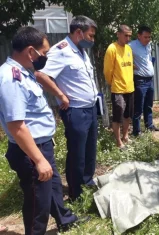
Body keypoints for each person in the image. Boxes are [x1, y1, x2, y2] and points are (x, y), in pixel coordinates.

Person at [0, 26, 85, 234]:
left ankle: (65, 219)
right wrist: (38, 160)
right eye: (44, 53)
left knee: (53, 187)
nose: (44, 57)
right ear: (31, 51)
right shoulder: (12, 78)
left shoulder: (24, 73)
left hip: (41, 146)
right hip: (30, 151)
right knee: (38, 202)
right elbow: (16, 126)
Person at [35, 15, 99, 201]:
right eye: (90, 35)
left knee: (89, 150)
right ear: (78, 32)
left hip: (90, 108)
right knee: (77, 153)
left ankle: (87, 181)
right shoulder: (61, 50)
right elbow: (41, 75)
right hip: (76, 111)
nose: (92, 39)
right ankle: (75, 193)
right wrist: (61, 95)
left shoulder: (80, 51)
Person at [103, 25, 134, 150]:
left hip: (130, 88)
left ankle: (126, 136)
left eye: (129, 36)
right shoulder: (112, 49)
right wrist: (113, 83)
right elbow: (107, 71)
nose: (128, 38)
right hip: (118, 90)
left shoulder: (128, 49)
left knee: (127, 116)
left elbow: (130, 67)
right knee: (117, 117)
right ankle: (118, 141)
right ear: (118, 34)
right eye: (125, 35)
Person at [129, 26, 159, 136]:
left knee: (148, 104)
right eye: (145, 37)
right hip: (140, 80)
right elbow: (122, 58)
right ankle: (136, 131)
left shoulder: (148, 45)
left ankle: (149, 125)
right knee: (138, 106)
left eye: (149, 37)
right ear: (138, 36)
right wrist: (131, 65)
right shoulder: (131, 46)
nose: (148, 39)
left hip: (149, 80)